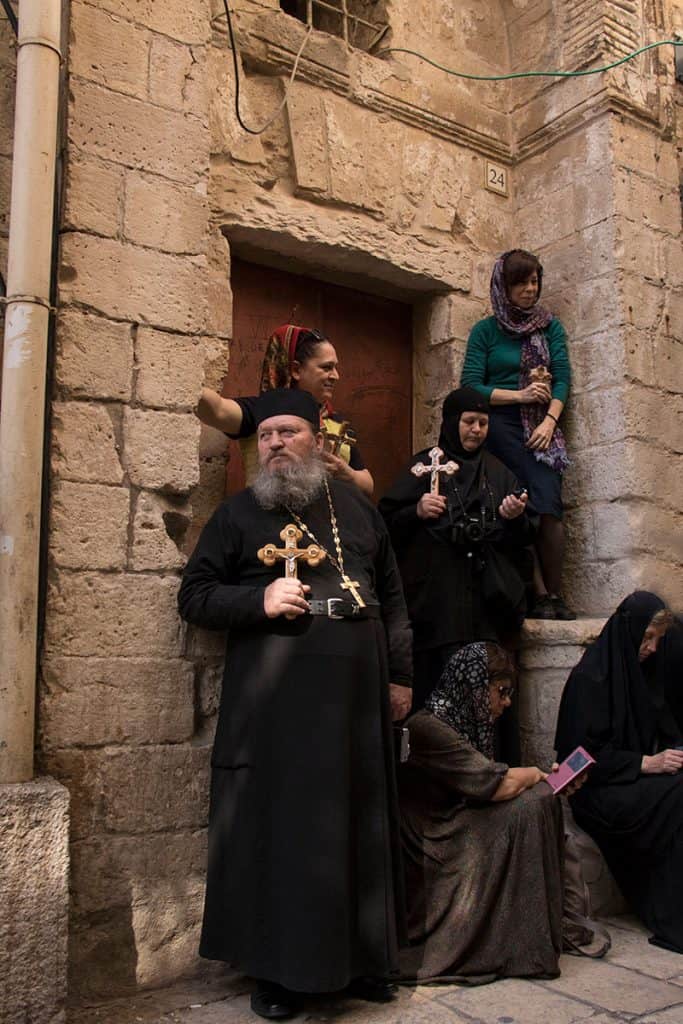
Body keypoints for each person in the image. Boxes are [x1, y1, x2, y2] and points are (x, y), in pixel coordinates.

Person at [178, 387, 413, 1019]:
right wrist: (256, 602)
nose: (276, 443)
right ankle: (278, 973)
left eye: (288, 432)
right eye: (266, 436)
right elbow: (195, 596)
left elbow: (391, 595)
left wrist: (402, 679)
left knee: (356, 822)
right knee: (283, 833)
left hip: (357, 694)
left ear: (317, 438)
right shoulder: (237, 515)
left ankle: (364, 959)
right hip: (275, 706)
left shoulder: (359, 512)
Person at [399, 642, 566, 983]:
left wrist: (544, 780)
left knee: (539, 798)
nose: (505, 703)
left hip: (457, 819)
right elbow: (496, 784)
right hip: (435, 837)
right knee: (530, 805)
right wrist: (536, 774)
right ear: (474, 686)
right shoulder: (428, 726)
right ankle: (519, 945)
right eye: (500, 691)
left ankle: (526, 938)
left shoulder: (461, 720)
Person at [379, 386, 534, 714]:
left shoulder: (498, 472)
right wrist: (416, 510)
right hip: (436, 609)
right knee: (438, 699)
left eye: (483, 423)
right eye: (469, 422)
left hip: (486, 609)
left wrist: (512, 517)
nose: (477, 430)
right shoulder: (426, 465)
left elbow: (523, 538)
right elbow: (385, 523)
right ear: (451, 422)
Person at [554, 591, 683, 953]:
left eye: (657, 639)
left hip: (636, 781)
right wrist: (646, 763)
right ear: (629, 632)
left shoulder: (641, 677)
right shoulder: (589, 680)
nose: (652, 648)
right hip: (598, 792)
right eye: (647, 637)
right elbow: (576, 759)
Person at [460, 249, 574, 620]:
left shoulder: (549, 327)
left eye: (535, 281)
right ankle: (538, 594)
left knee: (549, 508)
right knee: (519, 509)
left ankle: (555, 594)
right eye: (521, 282)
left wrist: (550, 422)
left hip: (542, 426)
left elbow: (562, 377)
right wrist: (521, 395)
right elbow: (471, 387)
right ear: (503, 287)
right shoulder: (485, 331)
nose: (530, 289)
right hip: (501, 427)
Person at [197, 323, 374, 496]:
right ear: (296, 370)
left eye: (335, 368)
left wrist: (347, 474)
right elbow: (217, 410)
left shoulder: (337, 423)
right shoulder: (263, 412)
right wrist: (186, 379)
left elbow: (368, 484)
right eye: (326, 367)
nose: (336, 376)